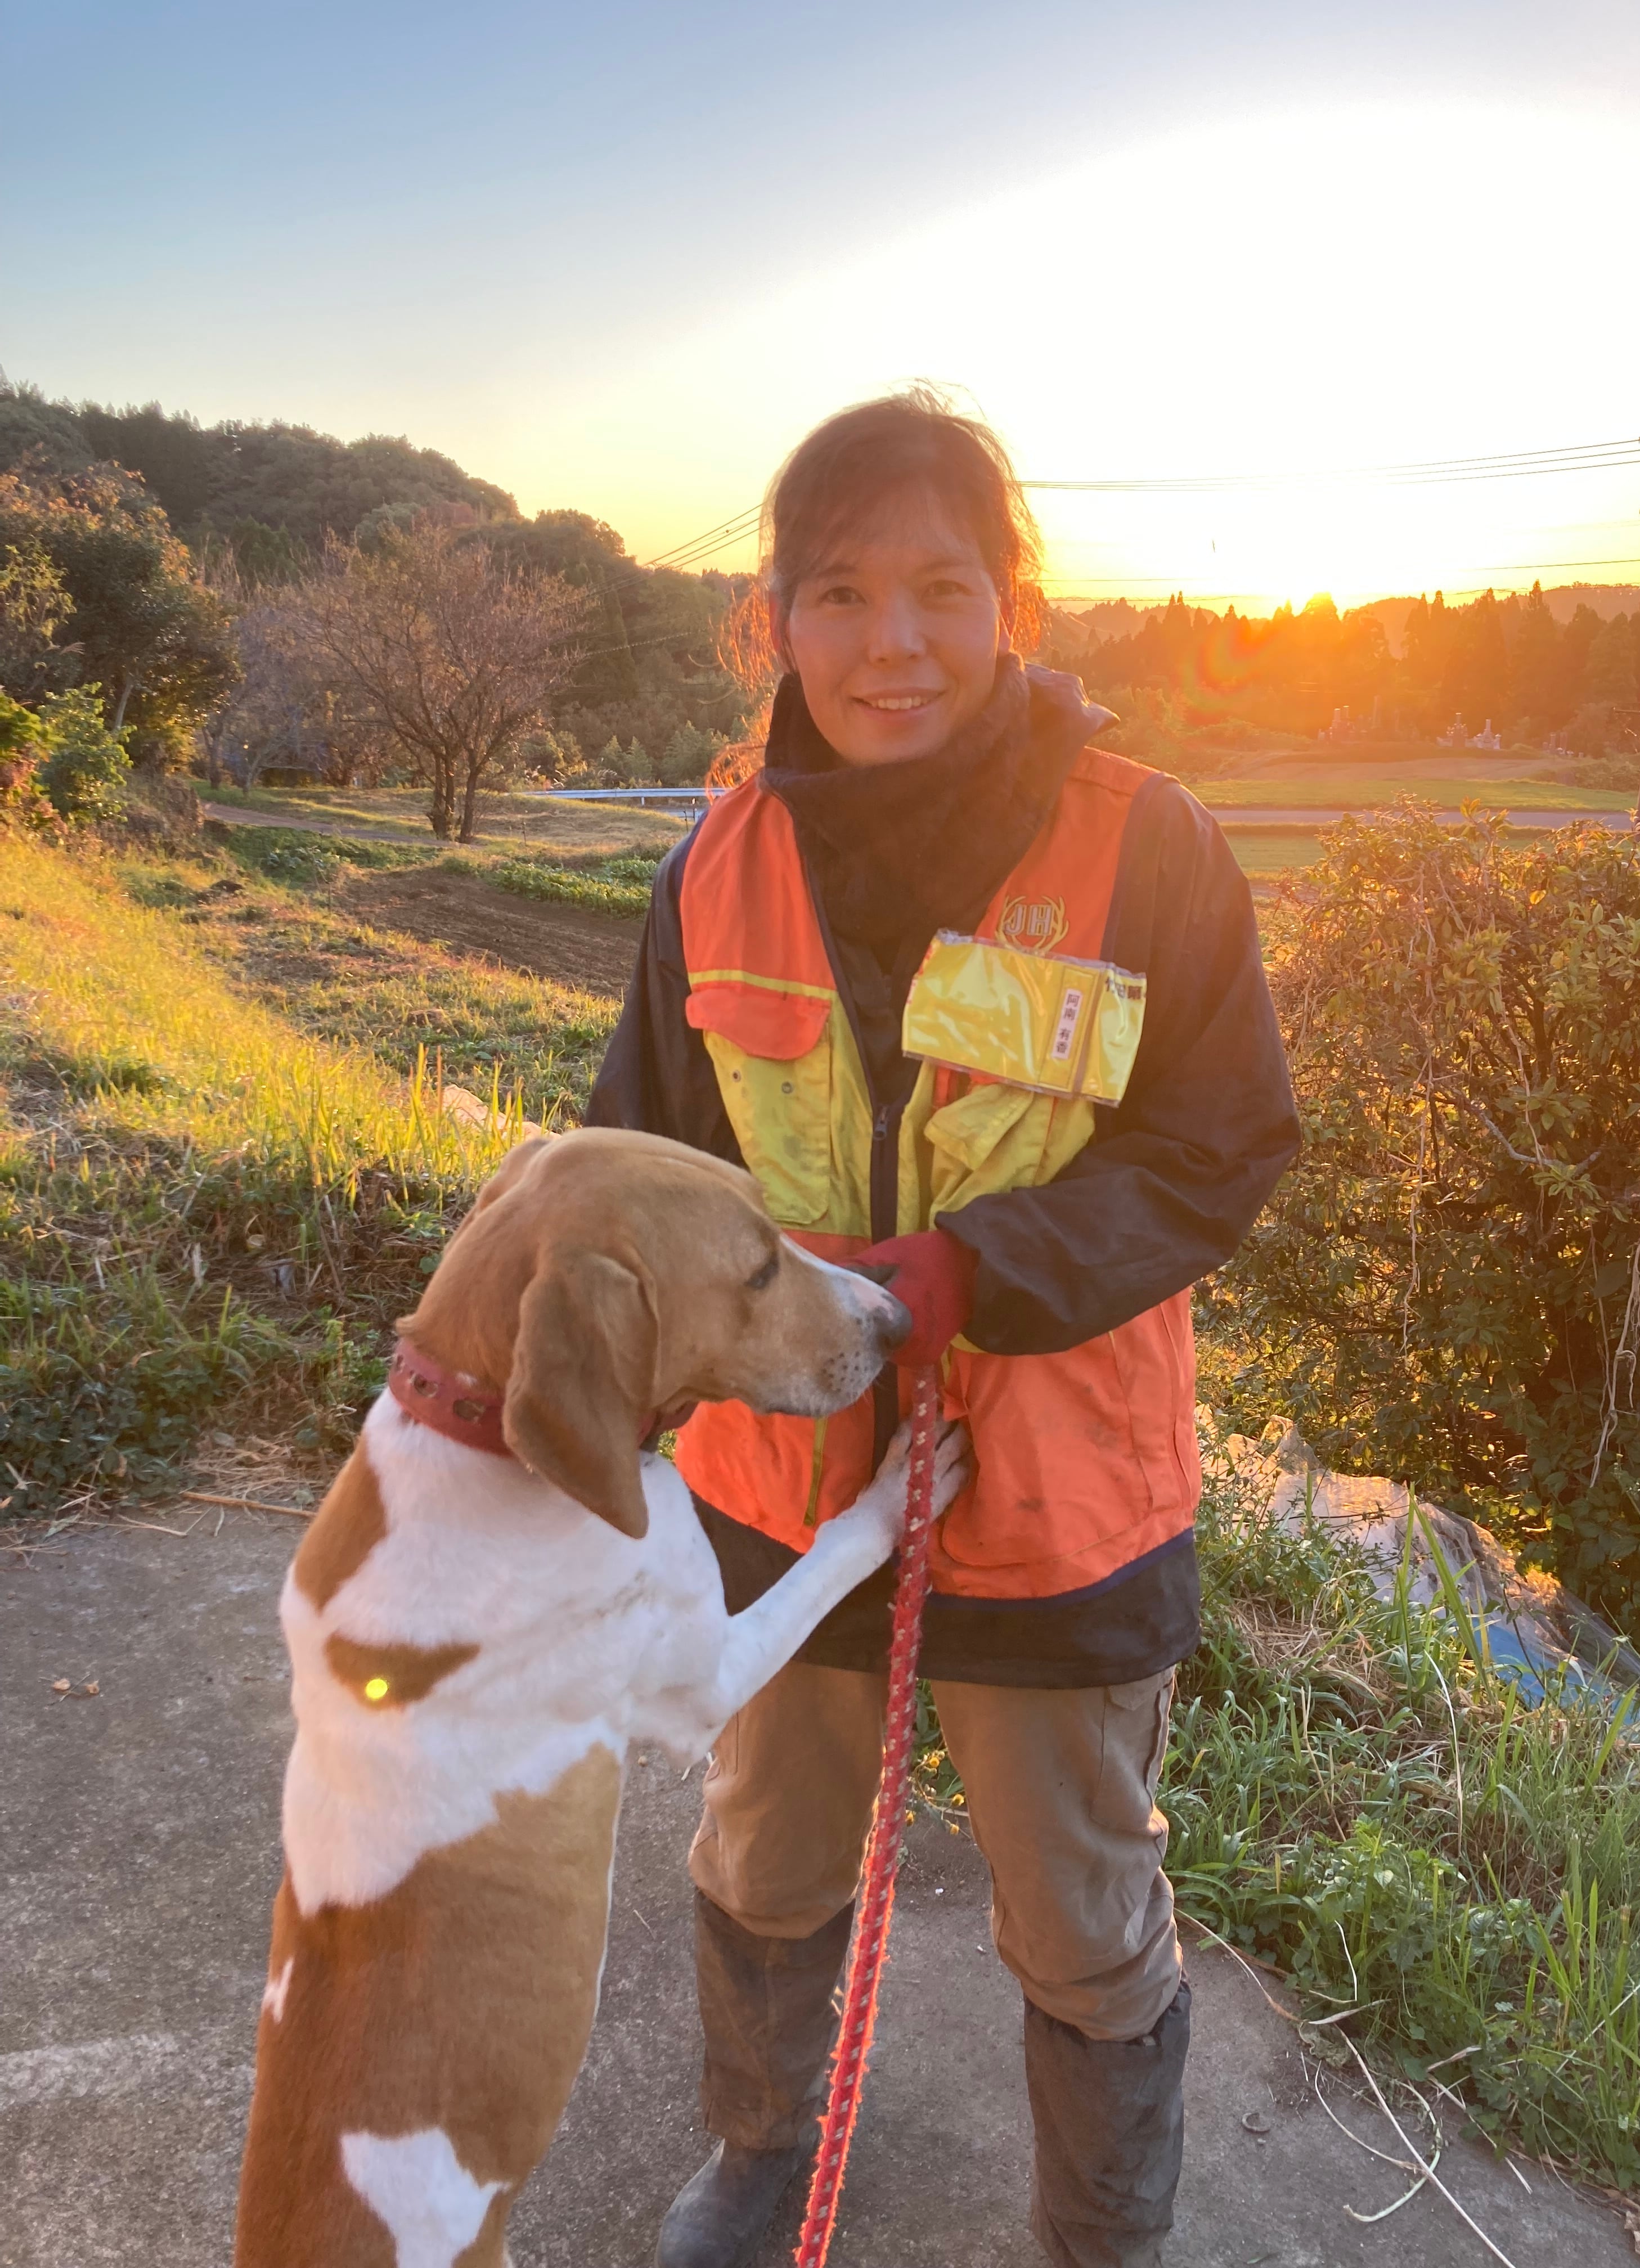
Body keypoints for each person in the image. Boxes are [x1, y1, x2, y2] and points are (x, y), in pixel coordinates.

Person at [587, 387, 1300, 2268]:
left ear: (1013, 607)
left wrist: (984, 1268)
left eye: (939, 590)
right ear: (773, 621)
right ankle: (762, 2151)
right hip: (780, 1491)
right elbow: (636, 1173)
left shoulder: (1149, 849)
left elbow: (1224, 1145)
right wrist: (551, 1418)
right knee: (764, 1853)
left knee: (1082, 1912)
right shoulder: (713, 865)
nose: (889, 642)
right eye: (838, 593)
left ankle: (1097, 2239)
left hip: (1059, 1505)